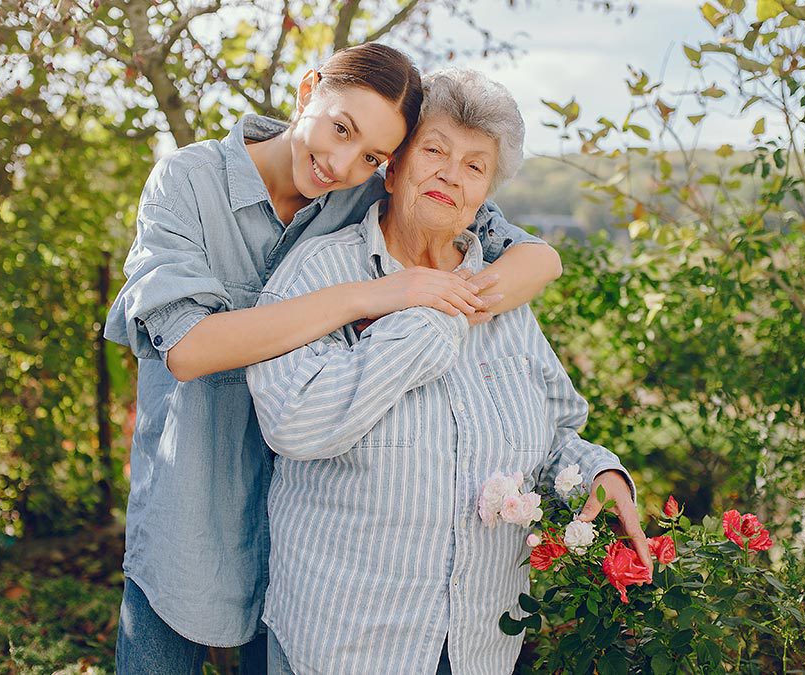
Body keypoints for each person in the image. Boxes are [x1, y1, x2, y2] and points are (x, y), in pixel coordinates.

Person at [104, 44, 564, 674]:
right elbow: (188, 350)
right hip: (198, 502)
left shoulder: (364, 187)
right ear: (308, 89)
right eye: (340, 128)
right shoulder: (189, 181)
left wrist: (462, 304)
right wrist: (372, 295)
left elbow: (530, 254)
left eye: (373, 156)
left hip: (315, 535)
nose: (342, 164)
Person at [247, 68, 650, 674]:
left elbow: (554, 431)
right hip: (342, 644)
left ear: (487, 192)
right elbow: (294, 424)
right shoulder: (322, 274)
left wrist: (595, 471)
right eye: (434, 150)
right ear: (395, 162)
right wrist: (432, 320)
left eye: (474, 165)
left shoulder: (502, 291)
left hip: (477, 645)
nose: (449, 175)